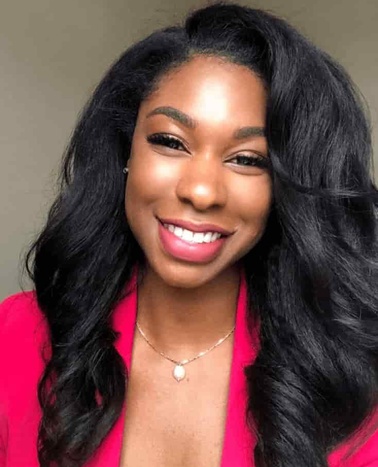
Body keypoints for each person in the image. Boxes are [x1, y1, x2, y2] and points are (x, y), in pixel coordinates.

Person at [0, 2, 377, 466]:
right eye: (171, 142)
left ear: (283, 189)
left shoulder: (348, 378)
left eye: (247, 159)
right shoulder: (16, 339)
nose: (201, 191)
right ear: (127, 150)